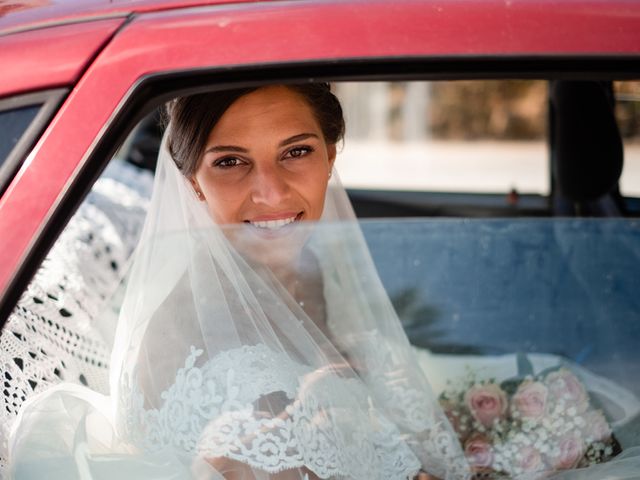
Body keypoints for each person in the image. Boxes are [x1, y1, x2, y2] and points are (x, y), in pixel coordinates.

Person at [7, 84, 468, 479]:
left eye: (296, 152)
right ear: (193, 184)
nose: (271, 192)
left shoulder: (311, 271)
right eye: (230, 162)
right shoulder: (190, 343)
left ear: (329, 157)